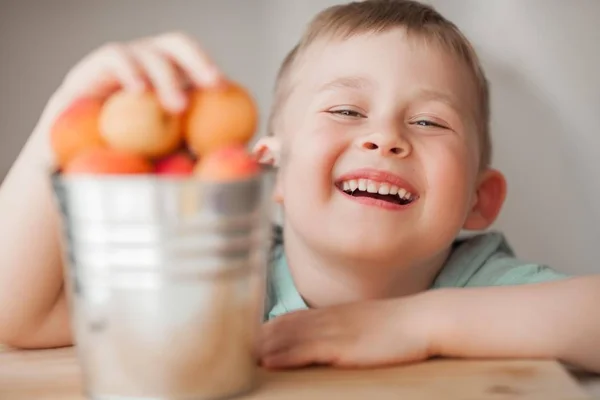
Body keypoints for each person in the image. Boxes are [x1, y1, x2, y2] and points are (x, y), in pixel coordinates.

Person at [1, 0, 599, 373]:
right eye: (345, 111)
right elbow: (18, 317)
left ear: (479, 200)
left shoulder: (484, 287)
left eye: (428, 121)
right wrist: (67, 120)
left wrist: (411, 325)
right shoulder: (230, 281)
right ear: (270, 175)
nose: (384, 138)